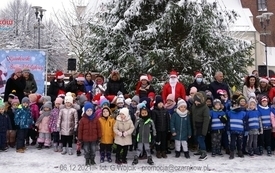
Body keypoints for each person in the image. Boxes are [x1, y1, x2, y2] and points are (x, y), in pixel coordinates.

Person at [227, 94, 247, 159]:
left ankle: (239, 151)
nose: (236, 106)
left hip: (240, 131)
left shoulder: (243, 113)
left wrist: (246, 130)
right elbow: (228, 122)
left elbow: (245, 122)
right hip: (232, 131)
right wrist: (228, 129)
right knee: (232, 143)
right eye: (234, 105)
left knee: (239, 142)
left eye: (237, 105)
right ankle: (232, 152)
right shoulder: (230, 113)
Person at [191, 91, 210, 161]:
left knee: (201, 139)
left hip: (202, 126)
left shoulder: (205, 108)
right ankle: (200, 150)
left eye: (198, 101)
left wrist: (204, 131)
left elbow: (206, 120)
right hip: (196, 125)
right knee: (197, 139)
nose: (196, 102)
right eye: (195, 101)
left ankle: (204, 152)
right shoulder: (194, 106)